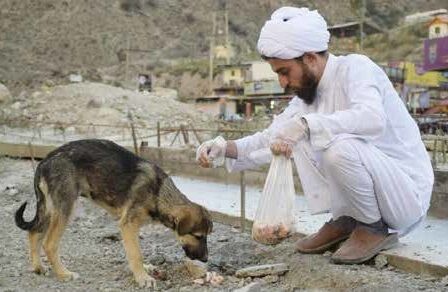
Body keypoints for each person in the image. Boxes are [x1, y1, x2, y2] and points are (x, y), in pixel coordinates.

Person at [196, 6, 433, 264]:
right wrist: (224, 148)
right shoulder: (307, 97)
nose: (282, 83)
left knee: (335, 144)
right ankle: (346, 220)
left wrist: (308, 125)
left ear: (309, 58)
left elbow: (372, 118)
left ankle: (372, 228)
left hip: (405, 195)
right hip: (374, 194)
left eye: (284, 72)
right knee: (299, 132)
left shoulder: (356, 68)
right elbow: (271, 138)